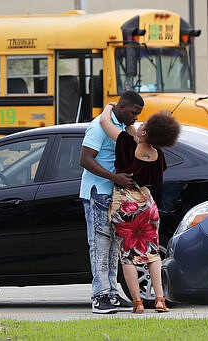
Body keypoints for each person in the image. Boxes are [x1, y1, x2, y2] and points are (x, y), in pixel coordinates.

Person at [99, 103, 180, 314]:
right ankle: (160, 300)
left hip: (124, 204)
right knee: (153, 254)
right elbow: (138, 135)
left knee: (127, 256)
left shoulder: (126, 144)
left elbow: (104, 122)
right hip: (147, 205)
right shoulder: (158, 155)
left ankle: (138, 303)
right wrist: (145, 132)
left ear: (144, 131)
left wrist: (108, 107)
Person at [79, 90, 144, 314]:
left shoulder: (122, 126)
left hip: (115, 194)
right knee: (99, 245)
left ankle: (112, 295)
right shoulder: (99, 126)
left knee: (114, 247)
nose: (136, 117)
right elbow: (85, 159)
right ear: (123, 107)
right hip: (98, 193)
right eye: (134, 113)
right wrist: (114, 177)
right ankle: (100, 297)